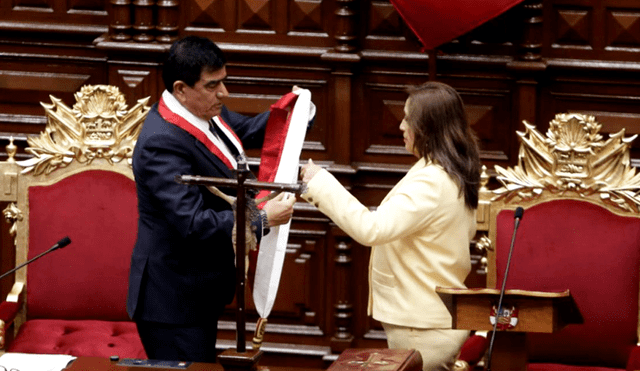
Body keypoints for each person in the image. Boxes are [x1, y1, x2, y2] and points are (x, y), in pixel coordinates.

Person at [126, 35, 300, 363]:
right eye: (213, 85)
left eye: (224, 82)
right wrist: (261, 219)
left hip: (197, 290)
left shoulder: (202, 110)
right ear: (181, 89)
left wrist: (295, 113)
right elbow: (192, 223)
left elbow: (245, 132)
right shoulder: (161, 143)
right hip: (171, 303)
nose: (224, 93)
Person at [300, 81, 481, 371]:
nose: (401, 126)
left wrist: (319, 182)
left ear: (427, 127)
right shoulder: (447, 168)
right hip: (426, 320)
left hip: (422, 327)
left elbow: (372, 229)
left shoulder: (431, 181)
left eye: (408, 118)